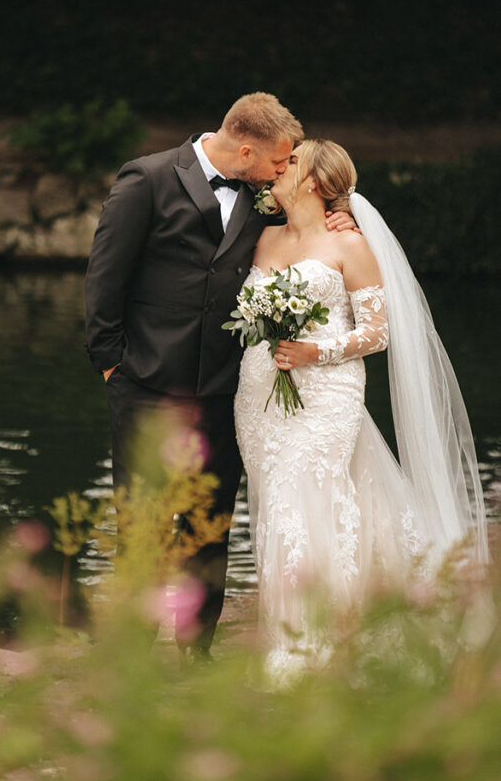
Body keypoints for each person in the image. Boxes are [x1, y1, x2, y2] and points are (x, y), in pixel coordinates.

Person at [84, 94, 355, 660]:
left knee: (211, 521)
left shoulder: (265, 195)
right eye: (279, 163)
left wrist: (340, 214)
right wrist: (112, 365)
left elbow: (310, 228)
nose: (284, 172)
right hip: (146, 385)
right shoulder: (148, 179)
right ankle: (130, 658)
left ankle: (195, 650)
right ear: (248, 149)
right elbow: (105, 278)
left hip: (229, 389)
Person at [234, 139, 489, 676]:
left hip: (327, 395)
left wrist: (313, 351)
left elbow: (378, 333)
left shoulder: (349, 246)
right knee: (275, 506)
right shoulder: (260, 237)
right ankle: (295, 629)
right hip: (258, 393)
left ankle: (316, 645)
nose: (277, 170)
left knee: (308, 504)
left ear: (315, 183)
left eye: (291, 163)